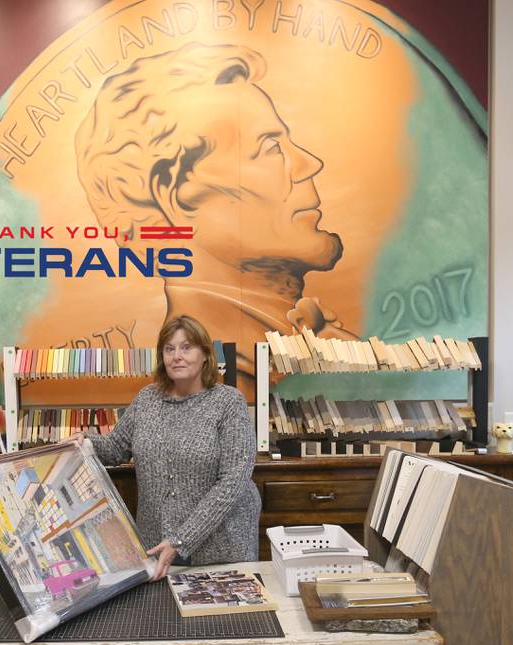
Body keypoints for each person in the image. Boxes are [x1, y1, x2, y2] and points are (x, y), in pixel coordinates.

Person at [75, 43, 356, 393]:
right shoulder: (235, 384)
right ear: (170, 193)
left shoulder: (292, 355)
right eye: (271, 147)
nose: (308, 163)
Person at [77, 315, 261, 580]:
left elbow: (233, 481)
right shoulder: (147, 399)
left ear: (206, 355)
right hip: (159, 542)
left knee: (219, 619)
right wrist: (85, 441)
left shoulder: (228, 402)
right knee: (161, 617)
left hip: (220, 545)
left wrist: (182, 539)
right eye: (169, 349)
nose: (177, 356)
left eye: (187, 348)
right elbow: (116, 448)